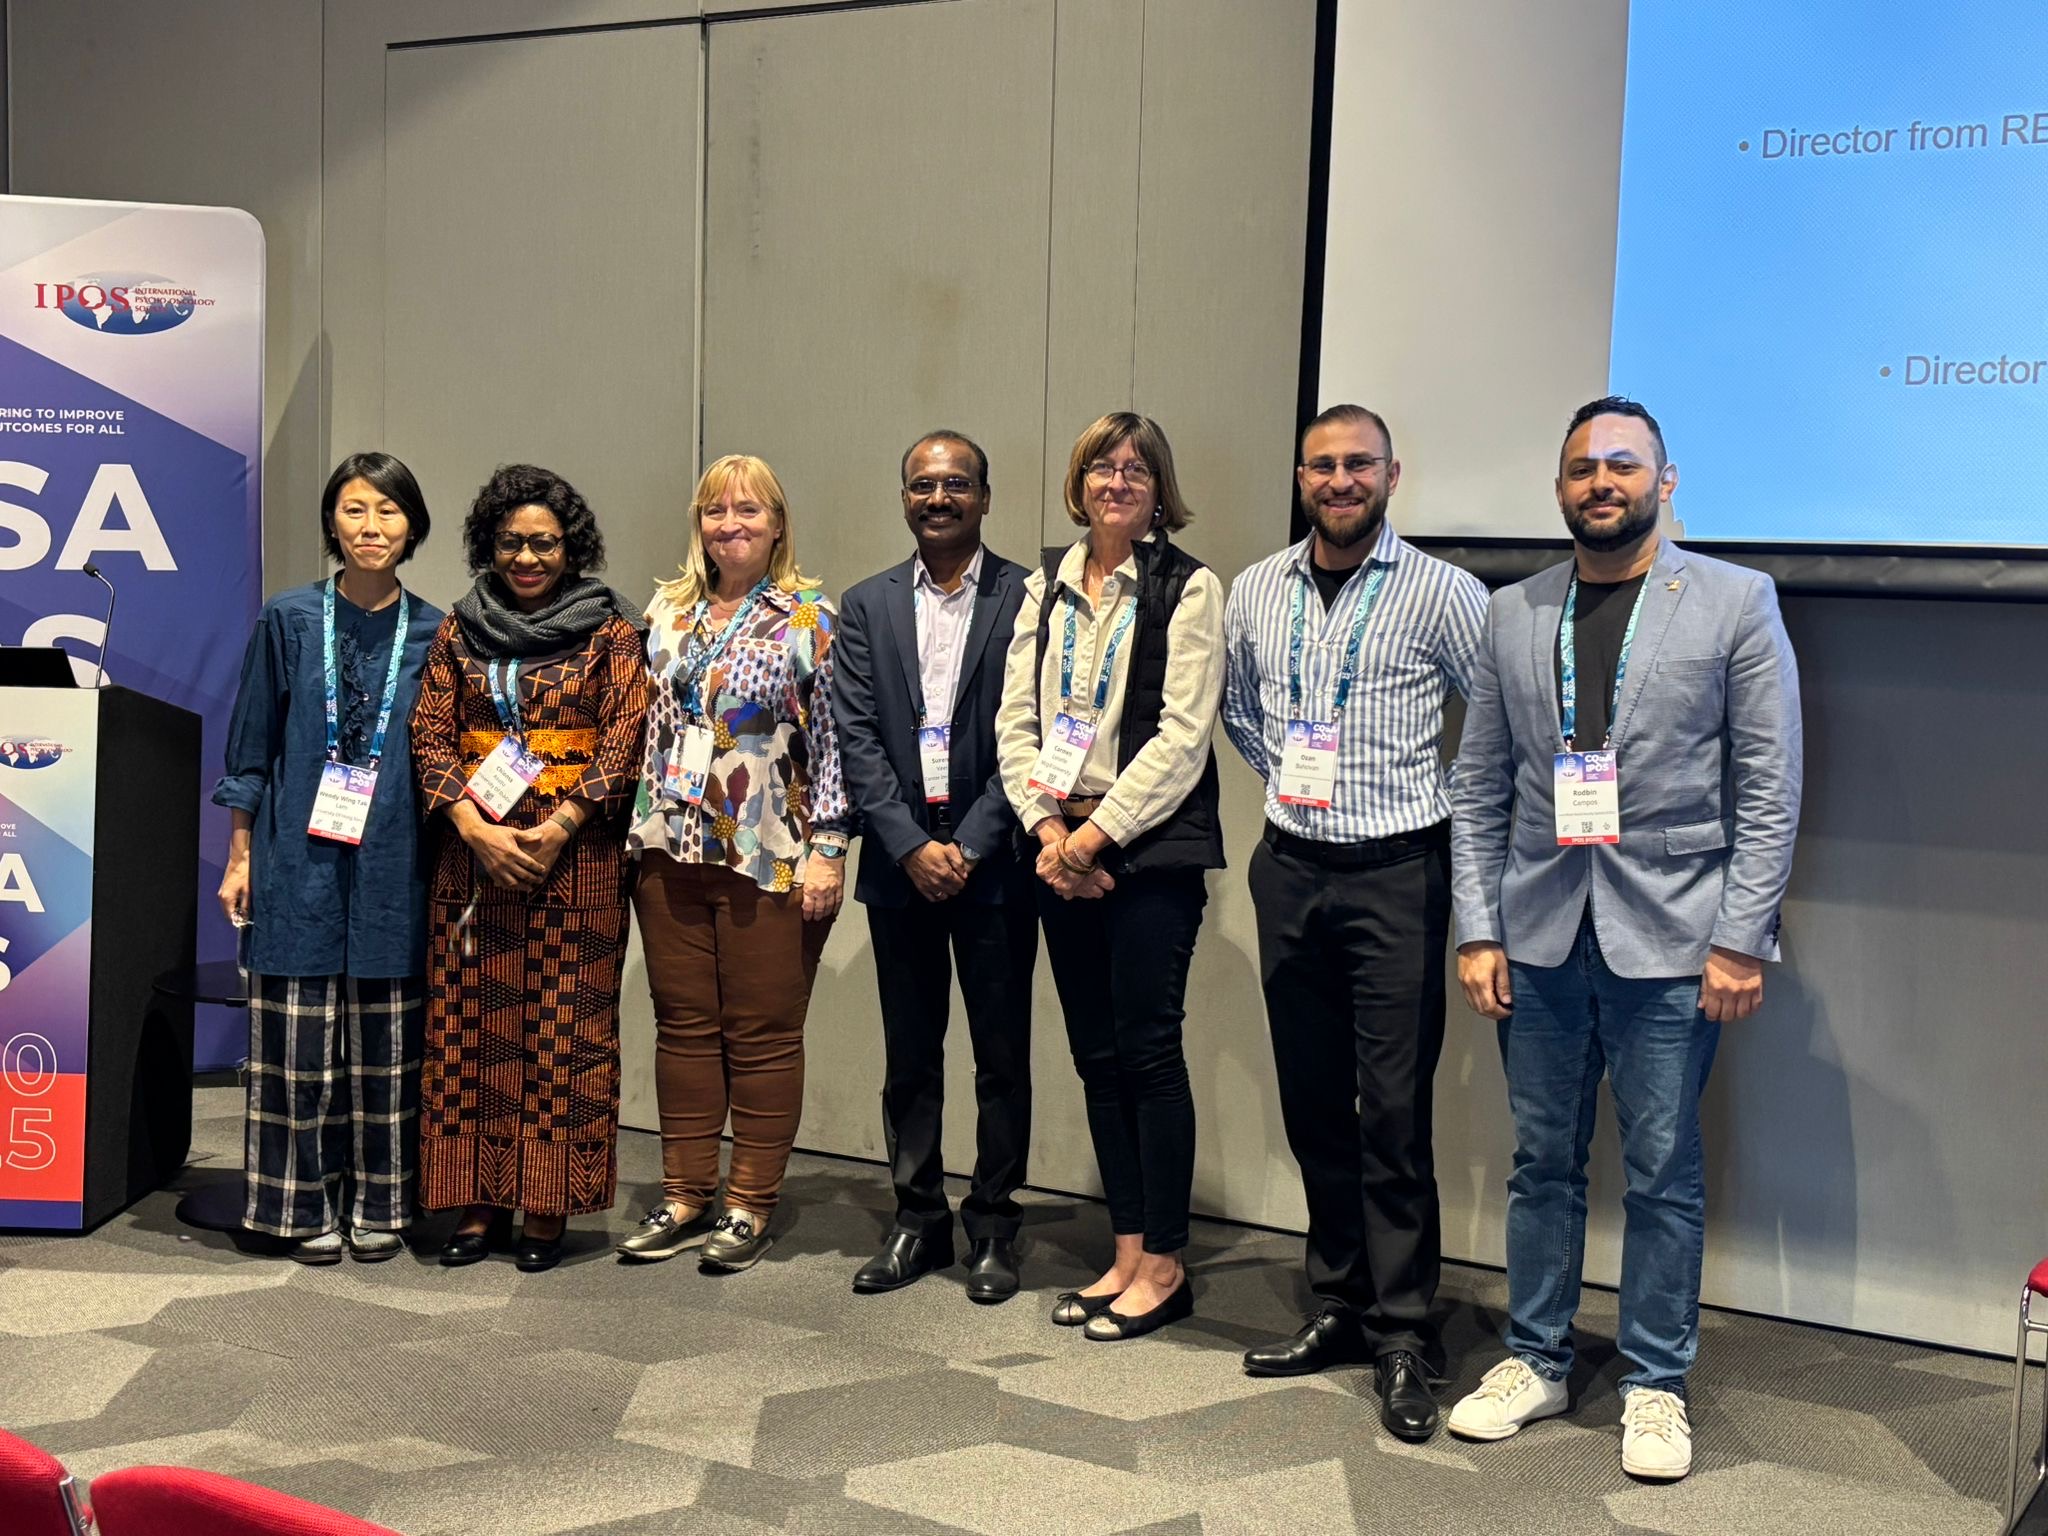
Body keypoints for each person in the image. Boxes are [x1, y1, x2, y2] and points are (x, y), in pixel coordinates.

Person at [1446, 397, 1802, 1480]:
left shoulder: (1736, 601)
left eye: (1621, 465)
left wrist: (1739, 940)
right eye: (1580, 469)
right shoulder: (1515, 612)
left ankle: (1653, 1383)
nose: (1599, 482)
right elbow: (1476, 791)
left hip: (1675, 941)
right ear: (1558, 489)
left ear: (1663, 480)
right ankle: (1536, 1358)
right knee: (1538, 1165)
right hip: (1540, 935)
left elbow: (1769, 783)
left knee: (1660, 1170)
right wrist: (1477, 929)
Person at [1221, 404, 1488, 1441]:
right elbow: (1238, 707)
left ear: (1390, 475)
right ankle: (1335, 1301)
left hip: (1395, 875)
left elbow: (1498, 721)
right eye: (1322, 465)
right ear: (1300, 477)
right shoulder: (1256, 588)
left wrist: (1440, 800)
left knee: (1390, 1112)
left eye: (1358, 465)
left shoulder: (1443, 593)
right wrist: (1291, 785)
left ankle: (1405, 1331)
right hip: (1289, 866)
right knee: (1310, 1104)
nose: (1340, 480)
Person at [994, 411, 1225, 1341]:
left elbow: (1183, 735)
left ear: (1159, 488)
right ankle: (1126, 1250)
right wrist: (1050, 830)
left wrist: (1094, 843)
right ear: (1078, 482)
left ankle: (1166, 1261)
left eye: (1137, 469)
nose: (1118, 482)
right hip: (1058, 843)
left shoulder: (1188, 586)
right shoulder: (1046, 586)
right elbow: (1016, 722)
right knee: (1095, 1058)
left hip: (1146, 856)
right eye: (1102, 467)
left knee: (1148, 1052)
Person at [411, 464, 649, 1274]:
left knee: (563, 1031)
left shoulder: (610, 632)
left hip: (573, 863)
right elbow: (430, 737)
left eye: (544, 542)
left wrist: (561, 826)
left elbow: (625, 737)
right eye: (511, 542)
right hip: (471, 864)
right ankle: (479, 1201)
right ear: (490, 545)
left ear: (570, 547)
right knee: (469, 1035)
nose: (526, 557)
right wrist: (473, 828)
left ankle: (546, 1205)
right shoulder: (460, 628)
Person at [621, 453, 849, 1273]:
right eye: (717, 512)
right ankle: (684, 1195)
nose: (731, 526)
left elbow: (833, 742)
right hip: (669, 844)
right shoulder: (669, 611)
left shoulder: (811, 616)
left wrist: (830, 849)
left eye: (749, 511)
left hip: (770, 851)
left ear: (778, 524)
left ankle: (750, 1205)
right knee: (682, 1026)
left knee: (761, 1033)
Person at [214, 452, 444, 1263]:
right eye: (354, 510)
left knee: (388, 1052)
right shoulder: (288, 620)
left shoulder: (436, 630)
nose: (371, 527)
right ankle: (293, 1205)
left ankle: (382, 1203)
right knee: (293, 1049)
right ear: (331, 523)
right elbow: (250, 750)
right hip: (296, 861)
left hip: (394, 865)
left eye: (387, 512)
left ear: (411, 526)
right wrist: (239, 855)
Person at [832, 430, 1035, 1303]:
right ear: (904, 498)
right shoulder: (866, 604)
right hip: (899, 864)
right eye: (923, 484)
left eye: (957, 484)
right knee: (911, 1052)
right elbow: (857, 734)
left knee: (1001, 1054)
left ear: (986, 498)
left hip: (995, 862)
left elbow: (1030, 733)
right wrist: (911, 845)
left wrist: (974, 839)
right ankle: (917, 1218)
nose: (939, 497)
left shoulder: (1031, 595)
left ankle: (993, 1224)